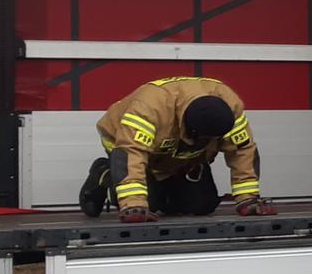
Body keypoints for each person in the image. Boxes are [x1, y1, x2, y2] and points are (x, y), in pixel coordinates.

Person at [78, 76, 276, 222]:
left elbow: (242, 151)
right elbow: (131, 152)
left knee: (201, 206)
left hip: (178, 156)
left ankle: (163, 189)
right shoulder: (150, 107)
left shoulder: (229, 106)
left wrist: (248, 200)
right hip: (127, 149)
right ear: (189, 128)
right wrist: (133, 204)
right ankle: (103, 172)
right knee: (147, 206)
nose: (210, 142)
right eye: (205, 138)